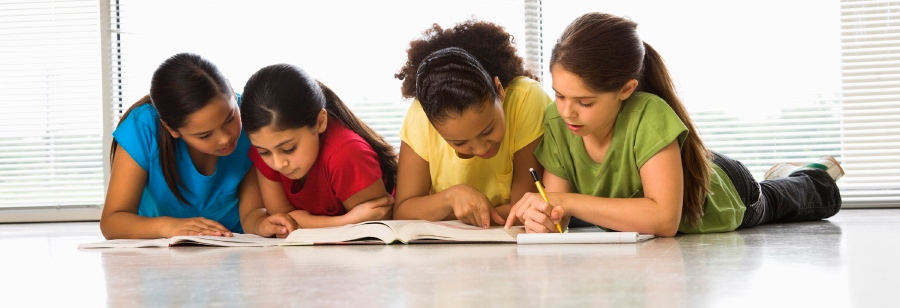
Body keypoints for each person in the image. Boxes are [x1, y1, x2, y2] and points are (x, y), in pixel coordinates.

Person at [506, 12, 843, 236]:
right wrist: (544, 217)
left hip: (723, 190)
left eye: (585, 102)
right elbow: (557, 210)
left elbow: (664, 220)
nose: (567, 112)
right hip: (670, 170)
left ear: (626, 89)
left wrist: (567, 203)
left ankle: (811, 172)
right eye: (560, 95)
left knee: (797, 197)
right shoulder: (559, 119)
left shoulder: (649, 113)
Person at [392, 19, 554, 228]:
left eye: (488, 130)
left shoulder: (526, 99)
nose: (481, 148)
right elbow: (403, 213)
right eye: (459, 143)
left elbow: (524, 210)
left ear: (499, 90)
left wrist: (442, 213)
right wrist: (450, 198)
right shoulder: (420, 117)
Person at [101, 52, 267, 239]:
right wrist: (168, 227)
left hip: (236, 244)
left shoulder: (251, 118)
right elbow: (112, 222)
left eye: (230, 118)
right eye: (204, 135)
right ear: (172, 129)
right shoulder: (143, 127)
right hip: (162, 253)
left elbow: (252, 213)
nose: (225, 139)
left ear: (230, 89)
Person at [239, 63, 397, 237]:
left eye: (289, 149)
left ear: (320, 122)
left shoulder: (346, 154)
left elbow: (372, 226)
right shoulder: (270, 143)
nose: (278, 164)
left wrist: (306, 225)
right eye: (264, 152)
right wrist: (345, 222)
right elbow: (285, 218)